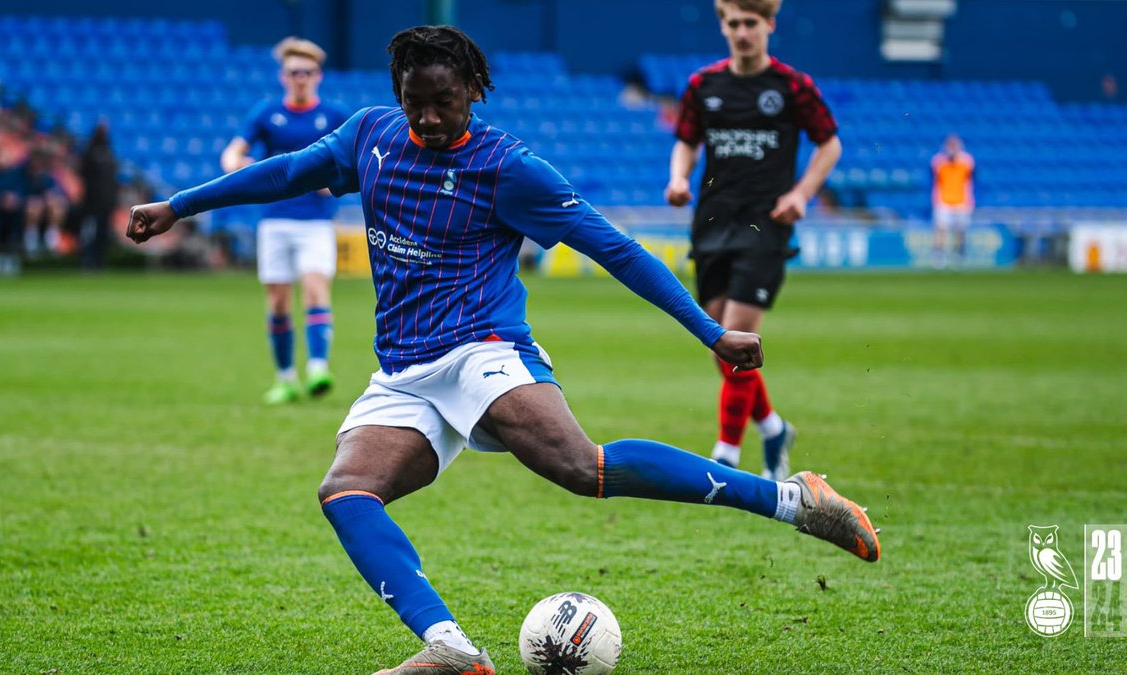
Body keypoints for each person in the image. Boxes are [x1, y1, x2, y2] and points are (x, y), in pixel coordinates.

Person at [127, 25, 879, 674]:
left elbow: (617, 250)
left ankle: (796, 500)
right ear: (396, 92)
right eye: (414, 101)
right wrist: (179, 205)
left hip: (484, 349)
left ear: (472, 93)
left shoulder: (507, 168)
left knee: (582, 468)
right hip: (405, 369)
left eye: (442, 103)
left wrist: (711, 332)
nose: (426, 117)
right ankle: (450, 646)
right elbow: (286, 172)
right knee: (345, 491)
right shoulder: (369, 135)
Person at [664, 0, 841, 481]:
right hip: (711, 224)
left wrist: (802, 194)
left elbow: (830, 142)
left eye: (750, 24)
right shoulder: (704, 85)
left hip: (766, 225)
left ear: (769, 26)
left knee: (737, 331)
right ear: (723, 27)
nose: (742, 32)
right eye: (733, 24)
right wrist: (678, 178)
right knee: (720, 345)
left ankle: (725, 456)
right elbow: (686, 140)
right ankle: (774, 427)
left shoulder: (792, 86)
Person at [219, 37, 351, 404]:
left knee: (315, 289)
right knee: (278, 301)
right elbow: (233, 152)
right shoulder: (266, 114)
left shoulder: (334, 116)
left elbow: (350, 163)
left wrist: (334, 182)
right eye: (294, 72)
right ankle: (285, 377)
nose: (301, 78)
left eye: (307, 72)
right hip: (275, 219)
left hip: (315, 222)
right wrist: (238, 167)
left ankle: (318, 369)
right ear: (284, 76)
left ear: (318, 76)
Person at [78, 122, 119, 269]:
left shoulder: (109, 152)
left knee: (102, 232)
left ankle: (99, 260)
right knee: (90, 232)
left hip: (106, 202)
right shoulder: (90, 152)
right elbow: (84, 176)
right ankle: (87, 260)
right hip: (92, 202)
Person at [930, 133, 975, 268]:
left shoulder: (967, 161)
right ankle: (939, 255)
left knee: (960, 229)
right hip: (943, 200)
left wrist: (971, 199)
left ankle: (958, 254)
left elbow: (971, 181)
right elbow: (933, 181)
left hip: (962, 200)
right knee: (941, 228)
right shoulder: (938, 161)